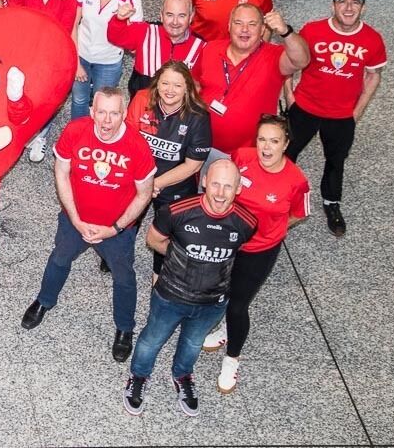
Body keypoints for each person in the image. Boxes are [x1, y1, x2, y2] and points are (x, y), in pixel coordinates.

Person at [21, 87, 157, 364]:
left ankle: (124, 327)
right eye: (102, 112)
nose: (107, 121)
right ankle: (44, 301)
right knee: (59, 258)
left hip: (116, 229)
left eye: (114, 113)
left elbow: (145, 193)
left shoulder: (137, 145)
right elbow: (61, 171)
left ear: (124, 115)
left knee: (124, 276)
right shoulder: (75, 130)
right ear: (92, 112)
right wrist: (74, 219)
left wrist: (116, 229)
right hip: (76, 219)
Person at [123, 159, 258, 417]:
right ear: (204, 181)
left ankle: (182, 376)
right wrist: (183, 260)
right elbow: (155, 240)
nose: (220, 193)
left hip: (213, 303)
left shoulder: (246, 222)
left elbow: (237, 253)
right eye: (215, 184)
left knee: (193, 343)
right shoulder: (177, 212)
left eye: (228, 187)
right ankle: (138, 376)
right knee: (151, 340)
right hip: (171, 296)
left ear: (238, 189)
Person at [201, 115, 310, 394]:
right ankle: (225, 329)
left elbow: (299, 214)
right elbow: (223, 187)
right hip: (228, 241)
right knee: (220, 292)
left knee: (238, 305)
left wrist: (271, 231)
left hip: (260, 249)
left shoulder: (296, 180)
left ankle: (232, 358)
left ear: (286, 144)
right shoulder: (242, 157)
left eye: (274, 141)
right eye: (262, 139)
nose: (266, 147)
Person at [285, 0, 387, 237]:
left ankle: (331, 203)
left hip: (341, 115)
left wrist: (357, 111)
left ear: (362, 8)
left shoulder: (372, 39)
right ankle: (281, 196)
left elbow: (374, 76)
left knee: (335, 161)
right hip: (305, 106)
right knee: (287, 153)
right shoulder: (312, 30)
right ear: (333, 6)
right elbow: (290, 60)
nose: (349, 7)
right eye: (343, 2)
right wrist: (289, 95)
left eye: (355, 3)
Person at [126, 61, 212, 276]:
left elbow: (194, 164)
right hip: (140, 175)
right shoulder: (141, 99)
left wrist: (155, 184)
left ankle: (159, 271)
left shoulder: (199, 116)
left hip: (176, 183)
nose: (169, 90)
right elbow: (128, 141)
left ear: (187, 89)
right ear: (156, 84)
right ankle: (120, 256)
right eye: (165, 83)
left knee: (166, 229)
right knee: (128, 216)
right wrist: (142, 181)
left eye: (177, 85)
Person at [191, 3, 310, 160]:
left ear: (262, 30)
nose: (244, 29)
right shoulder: (210, 49)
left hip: (249, 153)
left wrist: (286, 32)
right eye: (238, 23)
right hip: (202, 145)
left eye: (252, 24)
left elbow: (302, 60)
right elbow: (195, 84)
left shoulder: (274, 56)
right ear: (229, 26)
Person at [11, 0, 79, 161]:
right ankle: (24, 133)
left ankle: (41, 134)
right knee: (23, 95)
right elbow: (11, 18)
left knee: (48, 100)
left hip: (52, 59)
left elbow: (65, 31)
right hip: (24, 55)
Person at [72, 0, 143, 119]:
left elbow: (134, 44)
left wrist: (121, 22)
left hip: (108, 63)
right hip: (81, 54)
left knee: (101, 104)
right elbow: (73, 25)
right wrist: (75, 62)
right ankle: (77, 135)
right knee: (79, 100)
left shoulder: (132, 0)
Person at [107, 0, 205, 96]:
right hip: (143, 105)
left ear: (190, 17)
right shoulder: (145, 31)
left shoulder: (201, 46)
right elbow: (115, 37)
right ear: (161, 15)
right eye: (169, 15)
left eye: (181, 16)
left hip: (179, 108)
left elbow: (203, 84)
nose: (175, 22)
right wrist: (119, 20)